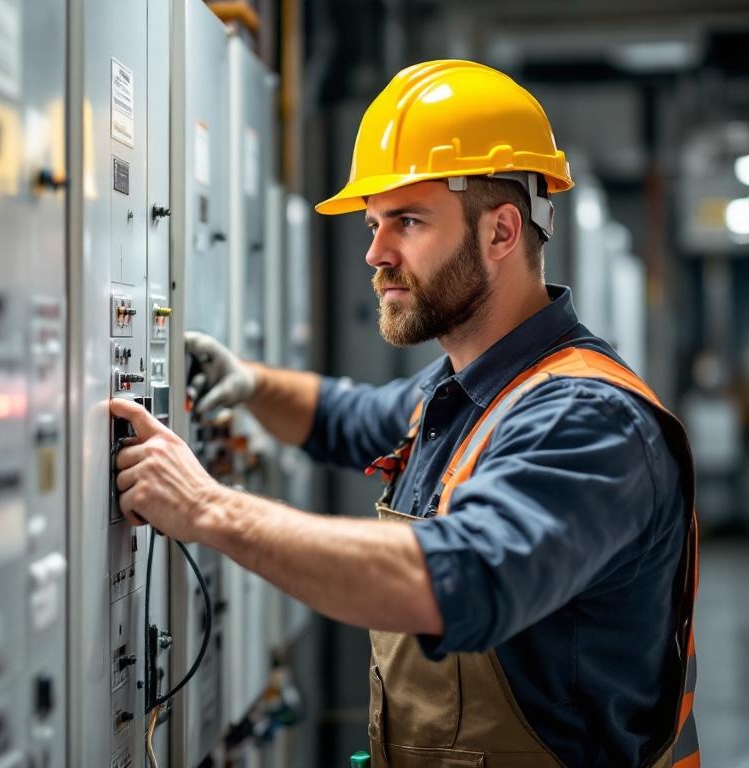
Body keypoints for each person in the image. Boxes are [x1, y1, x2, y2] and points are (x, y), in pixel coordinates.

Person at [110, 60, 698, 768]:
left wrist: (208, 509)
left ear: (502, 233)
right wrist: (248, 380)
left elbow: (450, 579)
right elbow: (347, 416)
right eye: (373, 223)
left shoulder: (587, 420)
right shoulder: (467, 391)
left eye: (407, 222)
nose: (375, 254)